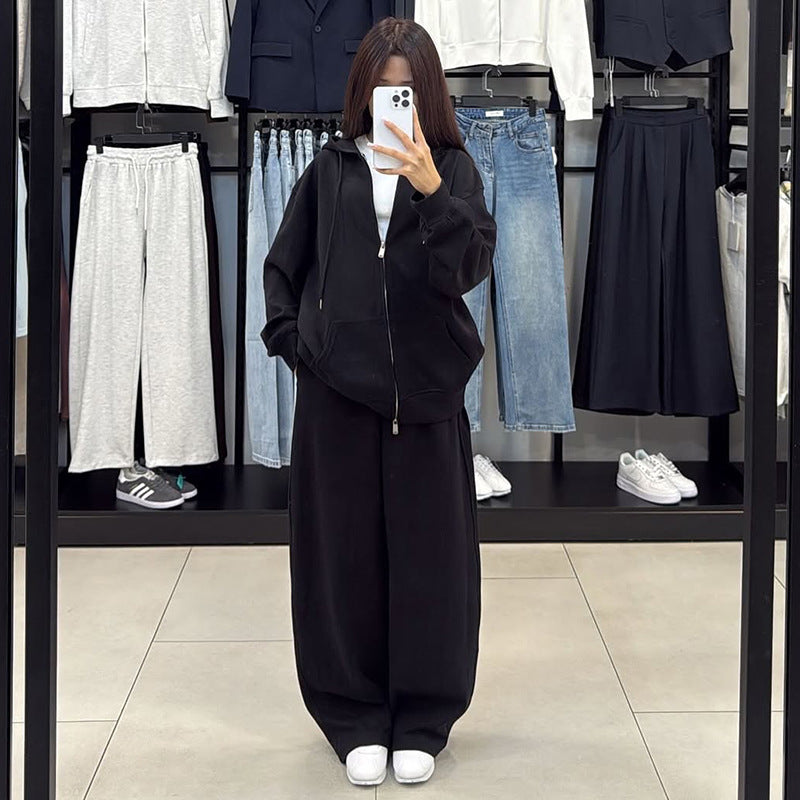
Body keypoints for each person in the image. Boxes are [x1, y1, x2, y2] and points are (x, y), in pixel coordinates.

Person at [260, 16, 497, 787]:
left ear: (427, 96)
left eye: (408, 92)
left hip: (427, 398)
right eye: (382, 90)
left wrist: (430, 188)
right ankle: (352, 715)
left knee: (433, 564)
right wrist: (302, 349)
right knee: (340, 563)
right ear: (361, 91)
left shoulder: (453, 170)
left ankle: (423, 717)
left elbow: (469, 267)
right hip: (337, 399)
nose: (393, 103)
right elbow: (283, 268)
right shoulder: (328, 169)